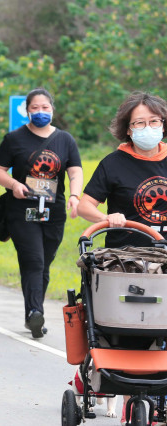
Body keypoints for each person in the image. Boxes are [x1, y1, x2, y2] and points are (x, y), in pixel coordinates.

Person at [77, 91, 167, 422]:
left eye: (154, 122)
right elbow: (84, 204)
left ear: (163, 123)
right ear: (128, 129)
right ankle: (139, 399)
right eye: (140, 123)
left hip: (165, 259)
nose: (148, 128)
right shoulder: (113, 163)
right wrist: (105, 218)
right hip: (126, 261)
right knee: (133, 331)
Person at [0, 87, 83, 338]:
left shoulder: (65, 140)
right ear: (27, 111)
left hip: (54, 210)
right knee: (33, 260)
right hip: (22, 209)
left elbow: (75, 171)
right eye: (35, 108)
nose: (40, 112)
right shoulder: (14, 139)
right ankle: (34, 313)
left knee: (45, 264)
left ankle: (34, 313)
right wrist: (14, 184)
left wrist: (74, 196)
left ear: (52, 109)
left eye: (45, 107)